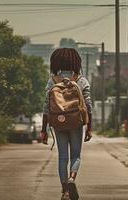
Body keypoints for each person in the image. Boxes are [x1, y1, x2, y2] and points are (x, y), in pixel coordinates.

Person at [40, 48, 93, 200]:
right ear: (76, 61)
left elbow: (46, 107)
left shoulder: (53, 81)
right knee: (76, 155)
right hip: (76, 123)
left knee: (63, 157)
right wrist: (89, 128)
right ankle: (72, 179)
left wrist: (44, 130)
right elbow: (88, 106)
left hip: (58, 122)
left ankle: (65, 192)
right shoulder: (81, 80)